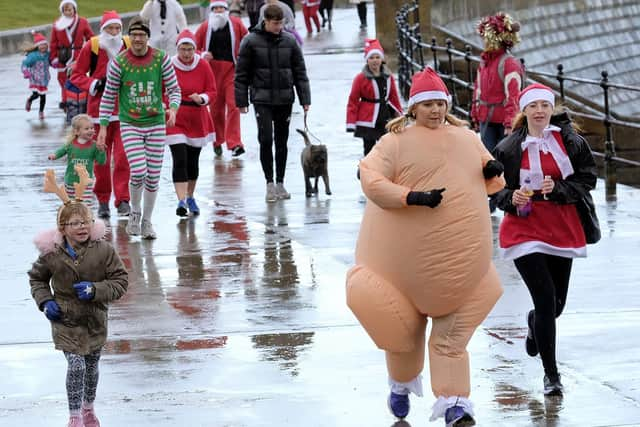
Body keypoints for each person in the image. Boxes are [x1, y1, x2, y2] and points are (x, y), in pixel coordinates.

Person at [346, 68, 505, 426]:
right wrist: (411, 197)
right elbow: (370, 177)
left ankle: (455, 404)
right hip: (400, 271)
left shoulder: (466, 137)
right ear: (413, 108)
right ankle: (401, 386)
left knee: (451, 338)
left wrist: (492, 168)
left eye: (440, 103)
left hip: (462, 269)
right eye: (428, 104)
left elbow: (492, 177)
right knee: (401, 333)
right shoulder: (395, 142)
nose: (435, 110)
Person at [492, 83, 598, 396]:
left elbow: (587, 178)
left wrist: (561, 190)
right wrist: (512, 197)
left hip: (562, 225)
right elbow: (495, 190)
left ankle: (533, 323)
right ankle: (551, 376)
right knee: (545, 297)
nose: (539, 111)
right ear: (524, 111)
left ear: (551, 109)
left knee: (556, 305)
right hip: (523, 228)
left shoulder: (570, 141)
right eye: (533, 105)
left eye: (544, 105)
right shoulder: (509, 148)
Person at [29, 180, 128, 427]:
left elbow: (120, 280)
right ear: (63, 227)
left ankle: (88, 409)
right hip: (66, 318)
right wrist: (45, 301)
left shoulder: (103, 250)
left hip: (95, 317)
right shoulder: (51, 253)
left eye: (86, 221)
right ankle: (74, 416)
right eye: (75, 223)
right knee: (75, 365)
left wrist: (96, 290)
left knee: (91, 366)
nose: (83, 227)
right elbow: (37, 279)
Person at [98, 16, 181, 239]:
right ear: (129, 36)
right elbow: (108, 96)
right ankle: (134, 212)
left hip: (156, 123)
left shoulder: (161, 59)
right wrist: (104, 126)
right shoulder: (119, 62)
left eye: (141, 35)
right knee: (139, 171)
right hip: (130, 123)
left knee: (153, 177)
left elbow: (174, 90)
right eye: (133, 35)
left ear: (147, 37)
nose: (137, 39)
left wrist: (172, 108)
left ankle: (147, 221)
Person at [235, 4, 311, 202]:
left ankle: (280, 182)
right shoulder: (250, 41)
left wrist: (305, 99)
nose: (278, 27)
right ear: (265, 21)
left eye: (281, 23)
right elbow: (241, 74)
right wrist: (241, 100)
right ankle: (269, 182)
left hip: (285, 98)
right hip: (261, 99)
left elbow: (300, 73)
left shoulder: (290, 41)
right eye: (275, 23)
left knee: (282, 141)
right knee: (266, 139)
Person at [71, 10, 131, 220]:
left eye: (117, 28)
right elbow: (77, 75)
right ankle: (103, 200)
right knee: (102, 160)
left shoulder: (128, 45)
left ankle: (123, 200)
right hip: (98, 113)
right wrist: (95, 84)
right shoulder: (93, 47)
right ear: (103, 30)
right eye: (110, 29)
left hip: (125, 112)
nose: (114, 33)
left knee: (124, 158)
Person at [167, 29, 217, 217]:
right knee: (179, 158)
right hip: (177, 116)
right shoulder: (170, 65)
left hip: (197, 117)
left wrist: (202, 97)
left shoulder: (203, 65)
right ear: (177, 49)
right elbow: (162, 89)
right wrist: (168, 106)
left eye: (190, 49)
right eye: (183, 49)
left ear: (194, 49)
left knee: (192, 161)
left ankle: (190, 195)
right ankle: (181, 200)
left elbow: (212, 90)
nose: (186, 54)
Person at [195, 1, 248, 158]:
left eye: (221, 8)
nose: (218, 11)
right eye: (215, 8)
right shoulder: (205, 27)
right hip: (212, 72)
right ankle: (218, 141)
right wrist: (203, 55)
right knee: (216, 110)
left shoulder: (237, 24)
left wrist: (245, 59)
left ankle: (235, 143)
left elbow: (247, 41)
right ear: (211, 11)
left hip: (232, 70)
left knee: (233, 106)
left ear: (226, 10)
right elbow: (193, 47)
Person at [471, 12, 523, 153]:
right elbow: (478, 89)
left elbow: (513, 97)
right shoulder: (485, 62)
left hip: (502, 123)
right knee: (487, 157)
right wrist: (475, 114)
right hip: (486, 120)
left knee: (503, 159)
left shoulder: (509, 64)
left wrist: (510, 123)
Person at [346, 38, 402, 156]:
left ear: (382, 59)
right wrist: (351, 122)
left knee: (387, 147)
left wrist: (399, 114)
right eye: (371, 58)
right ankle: (366, 170)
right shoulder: (360, 78)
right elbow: (353, 100)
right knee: (369, 149)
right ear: (367, 60)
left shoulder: (388, 77)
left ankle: (384, 170)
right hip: (367, 119)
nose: (375, 61)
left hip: (384, 116)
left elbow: (393, 96)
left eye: (377, 57)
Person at [48, 114, 107, 207]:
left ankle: (86, 220)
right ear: (77, 131)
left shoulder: (94, 146)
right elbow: (62, 150)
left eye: (92, 128)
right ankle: (72, 220)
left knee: (85, 205)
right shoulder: (70, 144)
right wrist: (54, 155)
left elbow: (101, 162)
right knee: (70, 205)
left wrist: (102, 151)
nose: (91, 130)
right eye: (87, 129)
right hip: (70, 181)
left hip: (86, 183)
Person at [49, 0, 93, 112]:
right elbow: (53, 42)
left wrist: (92, 50)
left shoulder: (82, 22)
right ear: (62, 11)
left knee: (79, 77)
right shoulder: (57, 24)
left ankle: (82, 100)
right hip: (63, 56)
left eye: (70, 9)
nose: (68, 12)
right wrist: (53, 57)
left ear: (74, 9)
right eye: (65, 10)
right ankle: (66, 102)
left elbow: (90, 37)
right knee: (63, 79)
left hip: (78, 55)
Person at [21, 32, 50, 121]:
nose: (43, 47)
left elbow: (51, 61)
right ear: (37, 46)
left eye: (45, 45)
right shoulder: (33, 56)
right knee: (36, 95)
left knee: (43, 96)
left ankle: (41, 112)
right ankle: (29, 100)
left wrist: (55, 63)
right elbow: (24, 64)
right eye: (41, 45)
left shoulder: (47, 55)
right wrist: (26, 72)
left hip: (44, 79)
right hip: (35, 79)